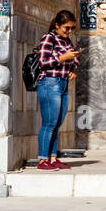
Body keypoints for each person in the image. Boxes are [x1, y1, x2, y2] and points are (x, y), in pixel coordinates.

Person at [35, 9, 80, 170]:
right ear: (57, 25)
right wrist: (62, 58)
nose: (69, 31)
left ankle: (53, 158)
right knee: (49, 123)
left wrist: (73, 68)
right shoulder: (49, 38)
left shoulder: (67, 41)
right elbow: (43, 62)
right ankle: (42, 160)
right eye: (66, 28)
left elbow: (74, 58)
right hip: (49, 83)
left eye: (72, 28)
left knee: (57, 123)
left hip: (62, 84)